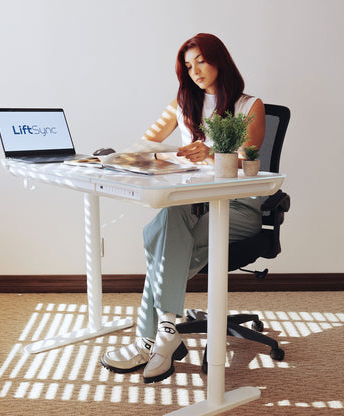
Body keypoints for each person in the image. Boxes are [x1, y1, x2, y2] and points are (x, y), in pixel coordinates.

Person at [101, 33, 265, 383]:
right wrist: (123, 157)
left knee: (160, 242)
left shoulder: (250, 106)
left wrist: (211, 153)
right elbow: (148, 141)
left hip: (236, 208)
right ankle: (164, 333)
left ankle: (154, 340)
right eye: (188, 67)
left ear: (219, 60)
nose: (195, 72)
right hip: (192, 205)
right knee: (170, 221)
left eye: (201, 62)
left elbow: (248, 155)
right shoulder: (183, 102)